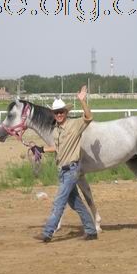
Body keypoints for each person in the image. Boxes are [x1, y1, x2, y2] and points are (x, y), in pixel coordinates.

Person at [32, 85, 97, 242]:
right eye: (56, 112)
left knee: (59, 202)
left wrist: (82, 101)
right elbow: (57, 148)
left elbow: (89, 117)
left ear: (66, 112)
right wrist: (40, 149)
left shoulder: (75, 125)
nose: (59, 114)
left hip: (71, 171)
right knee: (77, 204)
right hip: (62, 171)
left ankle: (47, 233)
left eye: (61, 111)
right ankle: (91, 231)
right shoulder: (56, 131)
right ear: (54, 115)